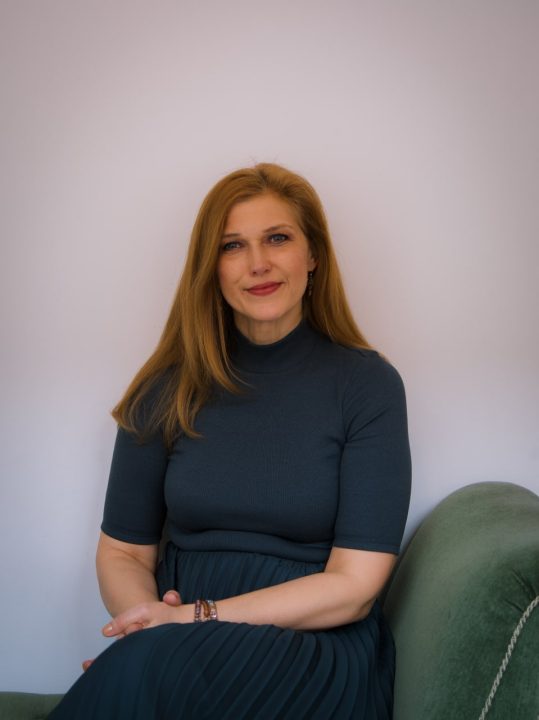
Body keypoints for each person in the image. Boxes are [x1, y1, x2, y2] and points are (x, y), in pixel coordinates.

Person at [49, 162, 411, 719]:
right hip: (174, 641)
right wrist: (147, 625)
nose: (257, 263)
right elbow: (122, 551)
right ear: (210, 267)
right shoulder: (165, 387)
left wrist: (190, 621)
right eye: (232, 246)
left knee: (146, 678)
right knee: (151, 673)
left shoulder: (367, 385)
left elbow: (355, 586)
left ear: (313, 254)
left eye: (278, 238)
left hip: (311, 642)